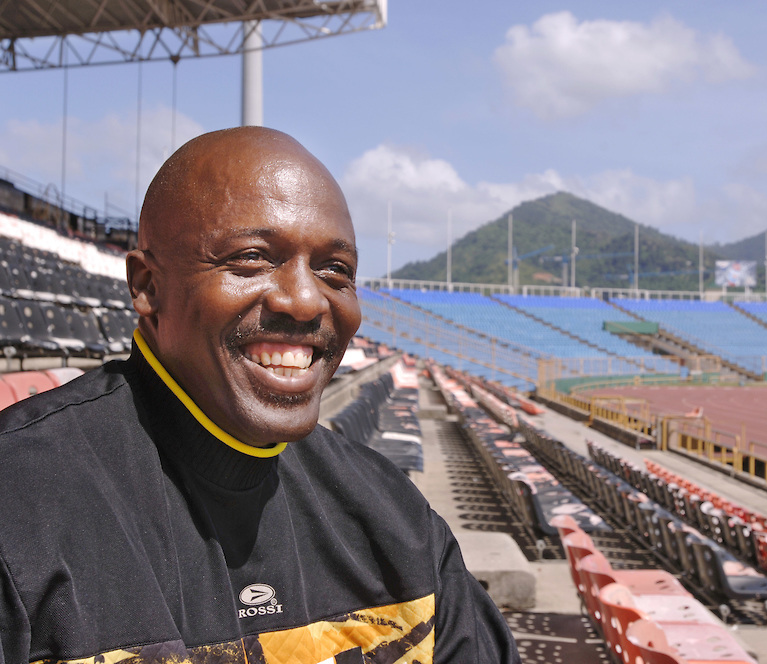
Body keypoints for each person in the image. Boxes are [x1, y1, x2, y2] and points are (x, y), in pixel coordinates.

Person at [0, 127, 521, 663]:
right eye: (252, 258)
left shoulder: (397, 521)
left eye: (334, 270)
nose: (303, 300)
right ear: (148, 286)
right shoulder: (16, 502)